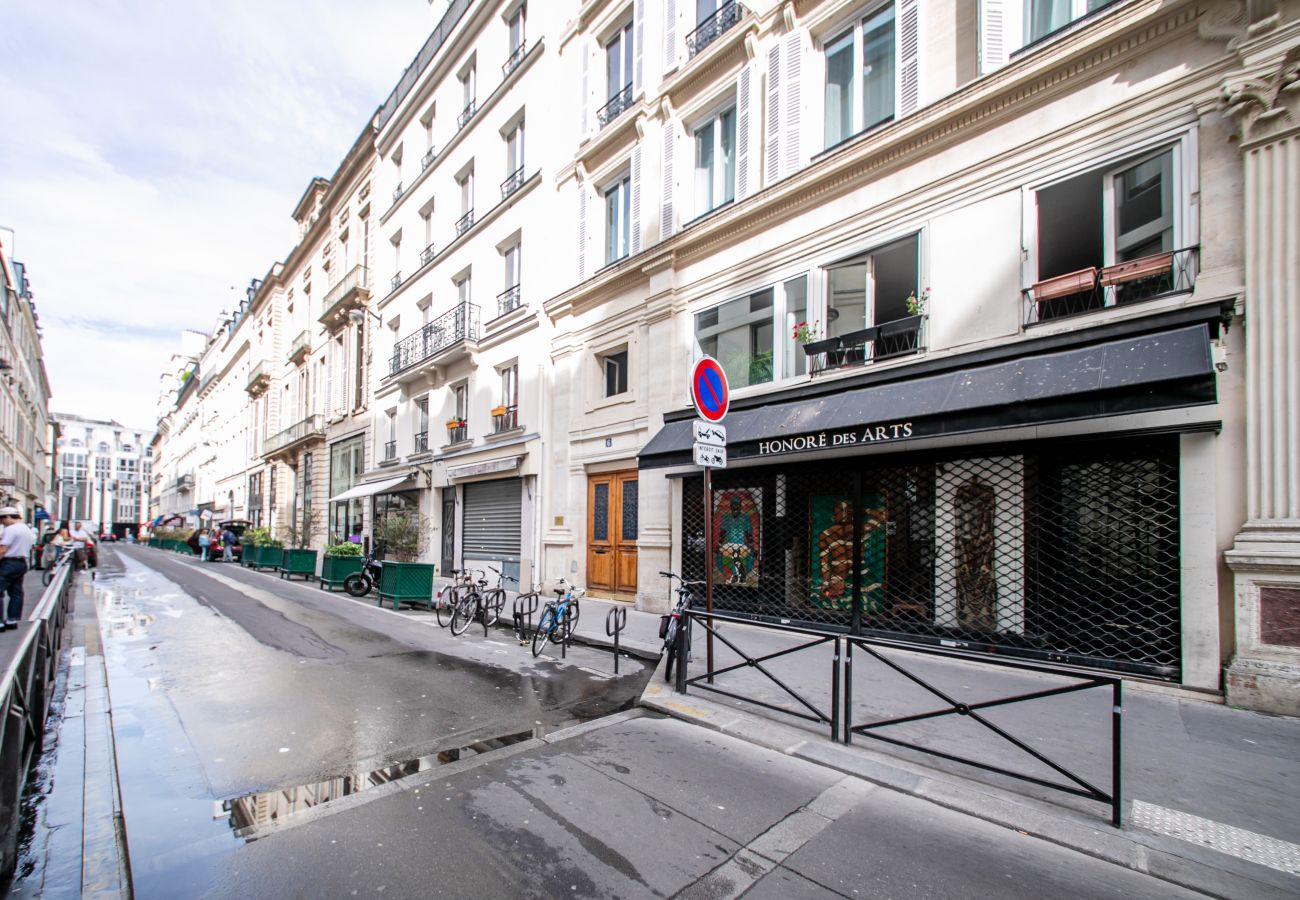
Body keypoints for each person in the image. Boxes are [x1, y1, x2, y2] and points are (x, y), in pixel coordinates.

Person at [0, 507, 35, 631]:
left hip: (9, 562)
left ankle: (0, 623)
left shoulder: (11, 529)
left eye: (2, 519)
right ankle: (12, 620)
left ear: (8, 517)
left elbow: (3, 549)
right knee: (16, 592)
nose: (2, 522)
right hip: (21, 562)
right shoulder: (26, 528)